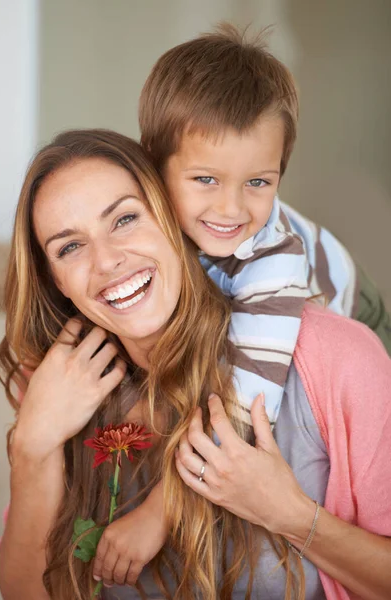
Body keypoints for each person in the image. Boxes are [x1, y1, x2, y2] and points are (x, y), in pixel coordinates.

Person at [0, 129, 391, 600]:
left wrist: (291, 516)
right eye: (70, 247)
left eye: (124, 219)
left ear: (172, 218)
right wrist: (32, 447)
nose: (107, 261)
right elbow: (26, 591)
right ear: (55, 279)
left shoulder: (335, 357)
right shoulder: (55, 388)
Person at [138, 23, 391, 428]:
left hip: (361, 312)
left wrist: (213, 462)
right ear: (153, 162)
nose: (231, 208)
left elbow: (251, 406)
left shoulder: (274, 259)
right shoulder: (139, 209)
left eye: (258, 182)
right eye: (206, 179)